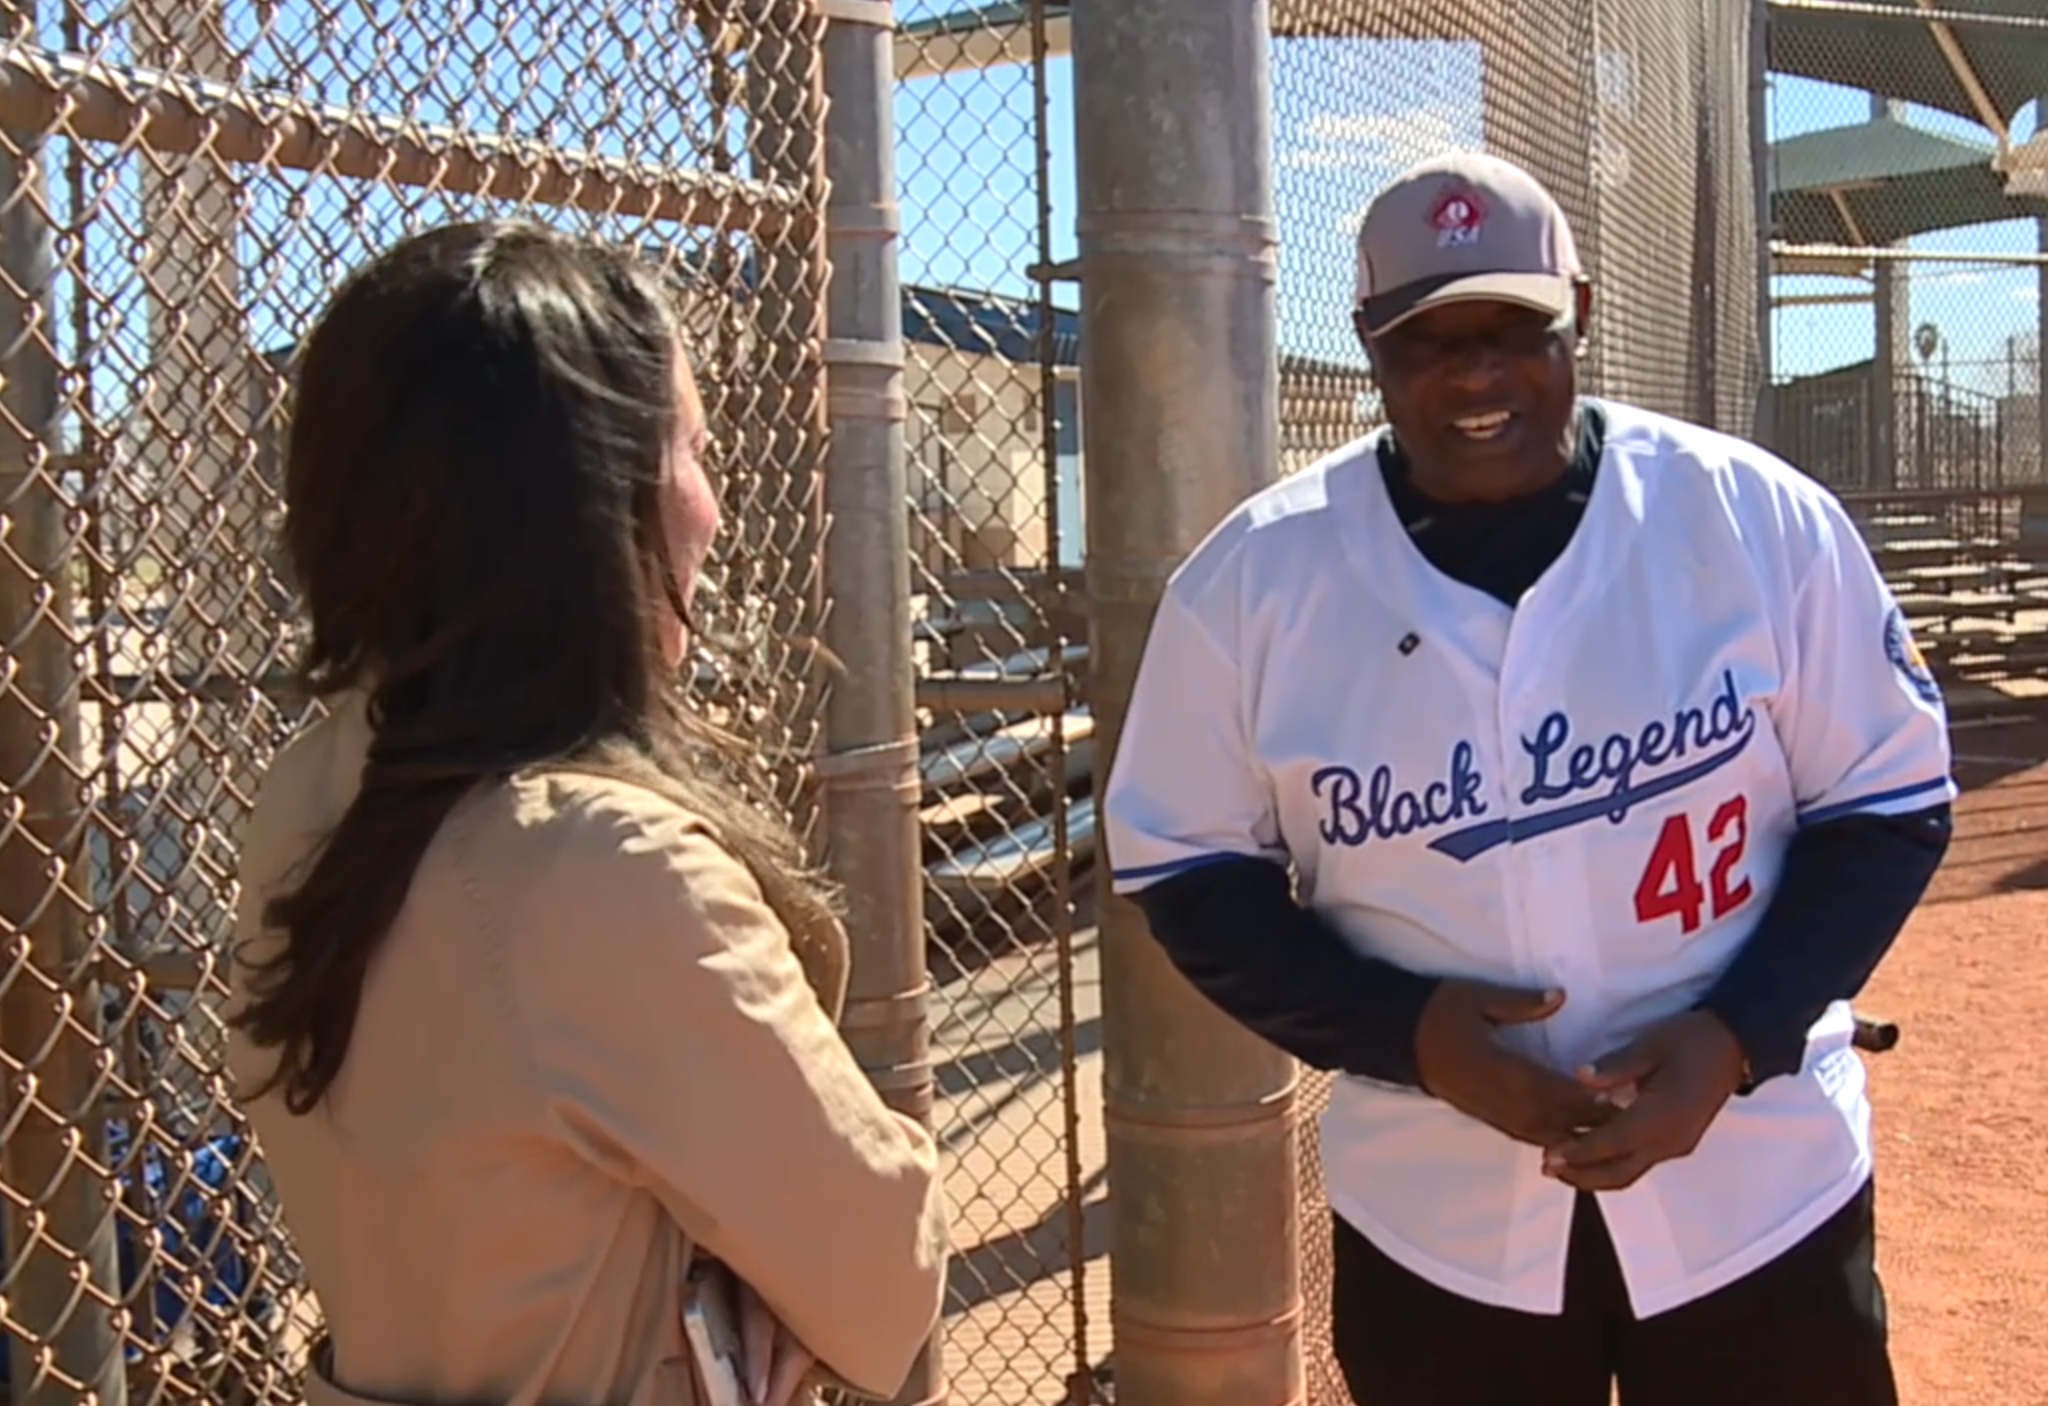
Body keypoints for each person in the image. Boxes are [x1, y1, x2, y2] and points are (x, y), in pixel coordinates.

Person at [1101, 152, 1954, 1405]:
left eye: (1517, 329)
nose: (1476, 372)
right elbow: (1186, 864)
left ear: (1583, 314)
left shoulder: (1751, 519)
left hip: (1758, 1184)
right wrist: (1407, 1035)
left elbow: (1885, 801)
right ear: (1368, 348)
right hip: (1435, 1205)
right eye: (1428, 339)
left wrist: (1736, 1033)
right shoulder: (1253, 584)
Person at [221, 220, 946, 1406]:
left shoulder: (310, 790)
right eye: (693, 452)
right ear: (590, 511)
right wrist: (760, 1275)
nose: (711, 510)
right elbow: (881, 1268)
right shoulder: (605, 864)